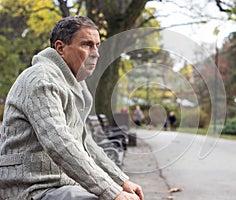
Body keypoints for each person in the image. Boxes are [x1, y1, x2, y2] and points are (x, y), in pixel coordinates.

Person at [0, 16, 144, 200]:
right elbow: (59, 142)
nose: (96, 53)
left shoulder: (73, 84)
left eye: (97, 45)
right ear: (61, 48)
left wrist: (120, 181)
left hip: (61, 183)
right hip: (32, 187)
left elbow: (84, 143)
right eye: (87, 44)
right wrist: (112, 192)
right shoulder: (41, 79)